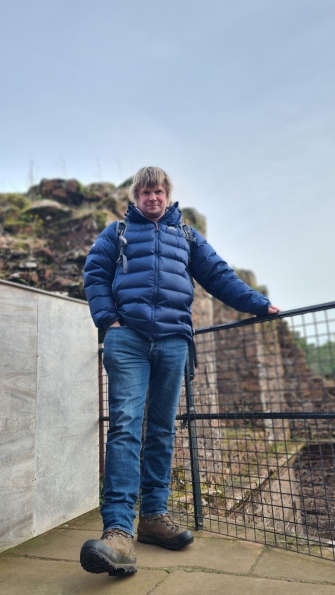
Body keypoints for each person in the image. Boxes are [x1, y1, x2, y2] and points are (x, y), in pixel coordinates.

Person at [80, 166, 280, 577]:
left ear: (168, 196)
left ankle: (153, 516)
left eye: (158, 192)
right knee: (124, 425)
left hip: (173, 341)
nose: (152, 198)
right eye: (144, 192)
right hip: (128, 338)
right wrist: (108, 320)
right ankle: (119, 530)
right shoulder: (116, 233)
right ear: (135, 197)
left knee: (163, 428)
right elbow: (95, 274)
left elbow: (218, 276)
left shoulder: (186, 236)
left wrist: (258, 304)